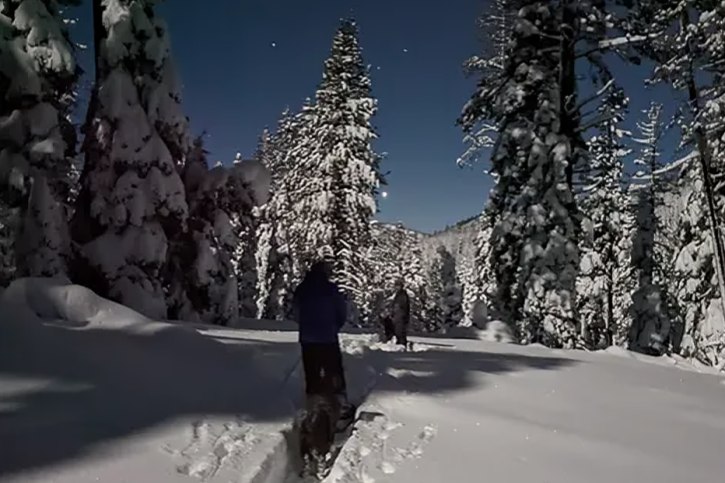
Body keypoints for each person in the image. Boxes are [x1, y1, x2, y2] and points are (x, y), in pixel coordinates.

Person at [292, 260, 354, 420]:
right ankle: (340, 405)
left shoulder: (302, 288)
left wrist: (305, 326)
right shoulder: (331, 289)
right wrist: (334, 326)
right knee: (333, 370)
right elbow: (341, 311)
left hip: (307, 338)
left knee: (312, 371)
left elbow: (296, 312)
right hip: (328, 337)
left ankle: (312, 405)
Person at [390, 279, 410, 347]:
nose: (396, 287)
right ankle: (400, 343)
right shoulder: (398, 294)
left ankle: (402, 344)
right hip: (397, 316)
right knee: (397, 331)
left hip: (401, 316)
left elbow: (403, 306)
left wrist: (400, 313)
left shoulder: (402, 294)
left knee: (400, 331)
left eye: (398, 286)